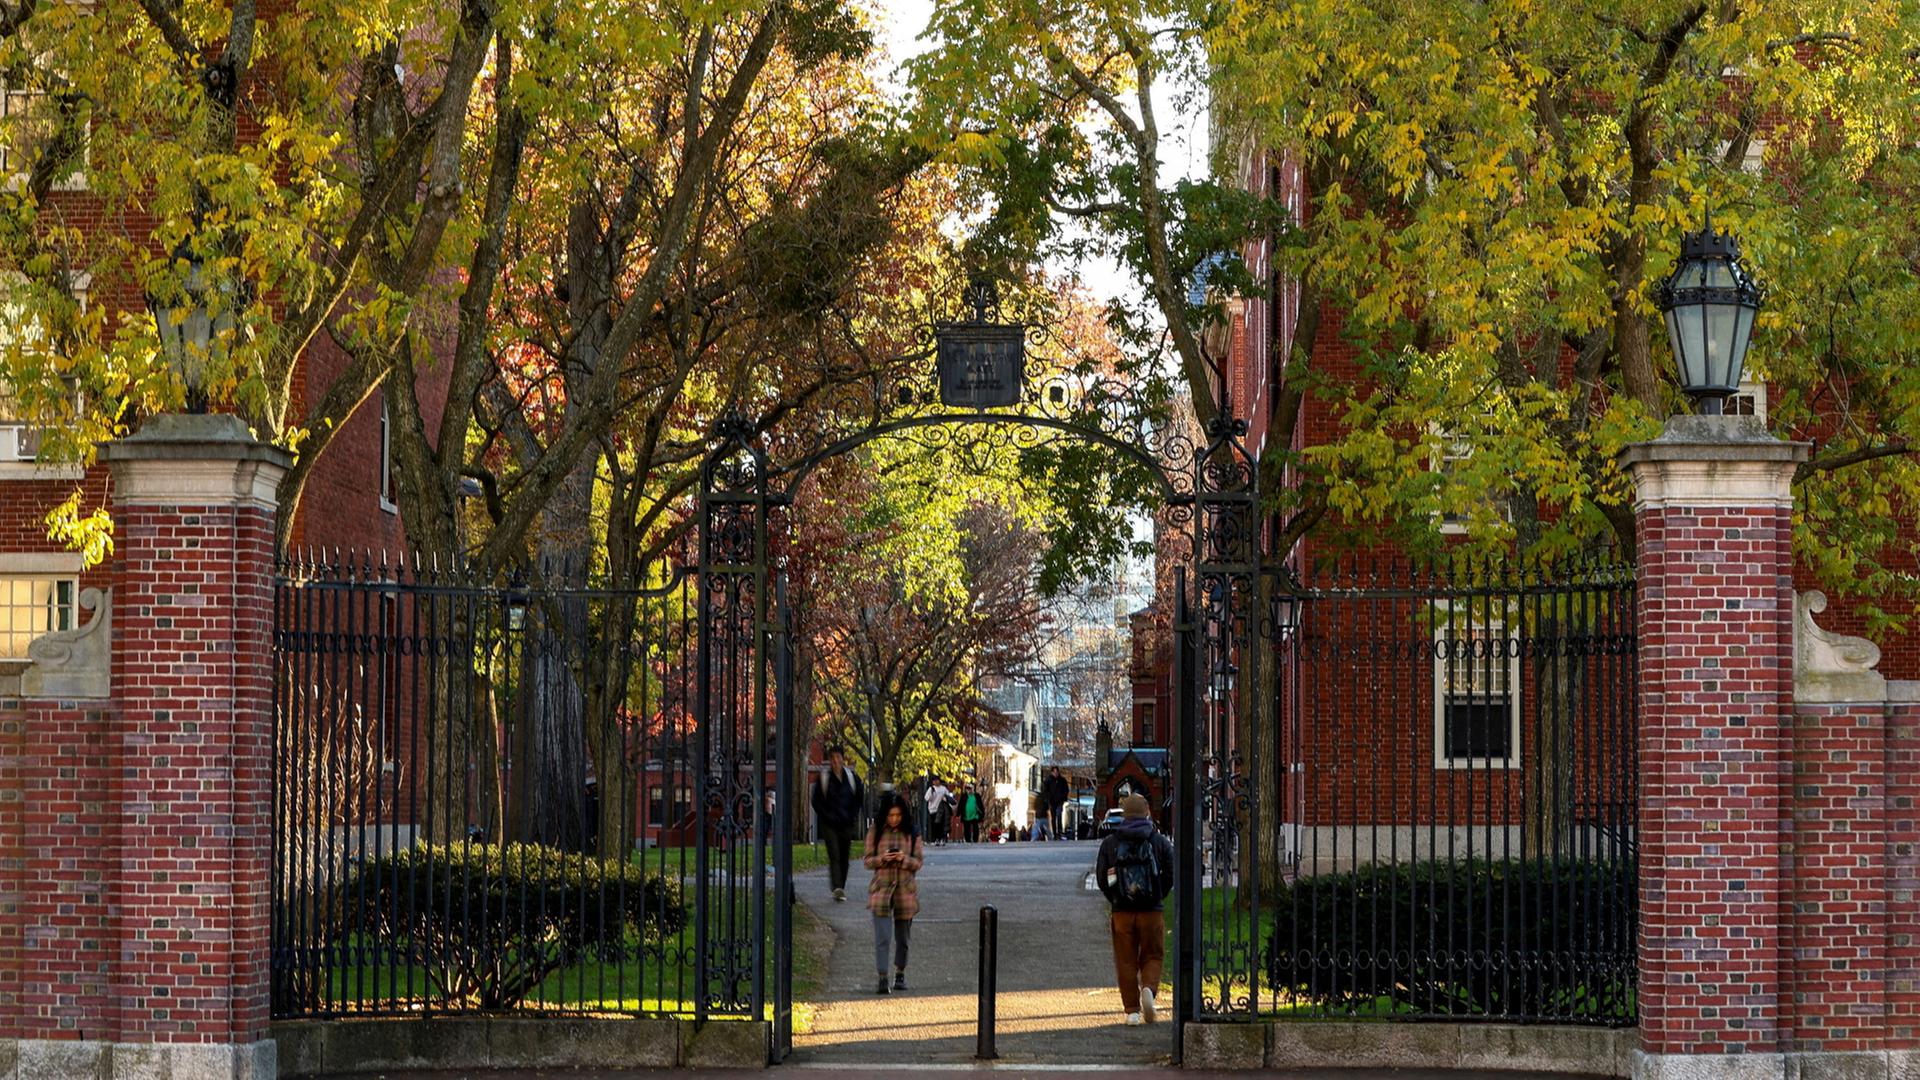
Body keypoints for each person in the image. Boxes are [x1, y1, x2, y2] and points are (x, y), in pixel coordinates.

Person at [1095, 793, 1175, 1026]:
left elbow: (1102, 877)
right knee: (1153, 954)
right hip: (1152, 910)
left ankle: (1131, 1010)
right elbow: (1170, 873)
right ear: (1147, 811)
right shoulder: (1159, 842)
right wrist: (1159, 894)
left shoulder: (1111, 843)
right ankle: (1148, 989)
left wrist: (1115, 898)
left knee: (1125, 960)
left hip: (1122, 912)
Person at [863, 792, 924, 994]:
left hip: (905, 890)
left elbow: (918, 862)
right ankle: (882, 976)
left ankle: (900, 972)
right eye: (891, 815)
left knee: (903, 938)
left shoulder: (912, 832)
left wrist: (903, 859)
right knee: (883, 936)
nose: (894, 819)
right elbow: (867, 860)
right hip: (881, 888)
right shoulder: (876, 830)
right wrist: (883, 859)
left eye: (898, 815)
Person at [810, 745, 864, 902]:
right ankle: (837, 887)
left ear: (842, 759)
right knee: (834, 853)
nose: (835, 761)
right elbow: (816, 801)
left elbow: (859, 798)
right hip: (829, 823)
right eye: (832, 758)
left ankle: (841, 885)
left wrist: (852, 815)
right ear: (829, 761)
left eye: (838, 758)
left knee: (844, 855)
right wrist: (826, 816)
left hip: (846, 822)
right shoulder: (824, 779)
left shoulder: (852, 777)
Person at [1043, 766, 1071, 840]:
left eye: (1057, 772)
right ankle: (1055, 833)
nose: (1056, 773)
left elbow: (1066, 790)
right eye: (1054, 772)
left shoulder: (1062, 780)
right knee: (1053, 817)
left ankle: (1059, 832)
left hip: (1060, 801)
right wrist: (1048, 799)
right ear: (1052, 772)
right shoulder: (1048, 781)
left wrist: (1064, 798)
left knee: (1059, 815)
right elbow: (1045, 791)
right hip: (1052, 801)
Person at [924, 777, 953, 847]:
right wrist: (931, 793)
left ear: (939, 781)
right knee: (934, 825)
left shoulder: (943, 789)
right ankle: (936, 839)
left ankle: (942, 838)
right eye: (934, 781)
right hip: (933, 809)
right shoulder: (931, 789)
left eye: (937, 780)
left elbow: (948, 797)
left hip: (941, 810)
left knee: (941, 825)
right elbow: (927, 798)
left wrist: (946, 799)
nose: (936, 782)